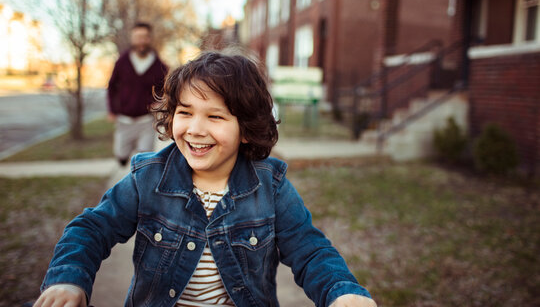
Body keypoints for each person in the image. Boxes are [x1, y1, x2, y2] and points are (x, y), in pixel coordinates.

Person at [35, 50, 377, 307]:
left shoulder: (269, 187)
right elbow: (91, 229)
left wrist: (341, 292)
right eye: (185, 112)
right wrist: (69, 281)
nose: (195, 129)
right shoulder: (149, 177)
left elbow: (310, 250)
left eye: (215, 116)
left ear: (246, 130)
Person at [107, 22, 168, 166]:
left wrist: (160, 101)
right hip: (124, 119)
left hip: (146, 120)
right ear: (132, 38)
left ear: (149, 39)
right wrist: (111, 109)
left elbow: (165, 88)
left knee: (145, 160)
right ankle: (123, 156)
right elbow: (111, 86)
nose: (141, 40)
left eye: (144, 37)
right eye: (137, 37)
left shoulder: (159, 65)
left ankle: (140, 182)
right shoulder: (122, 61)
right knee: (121, 157)